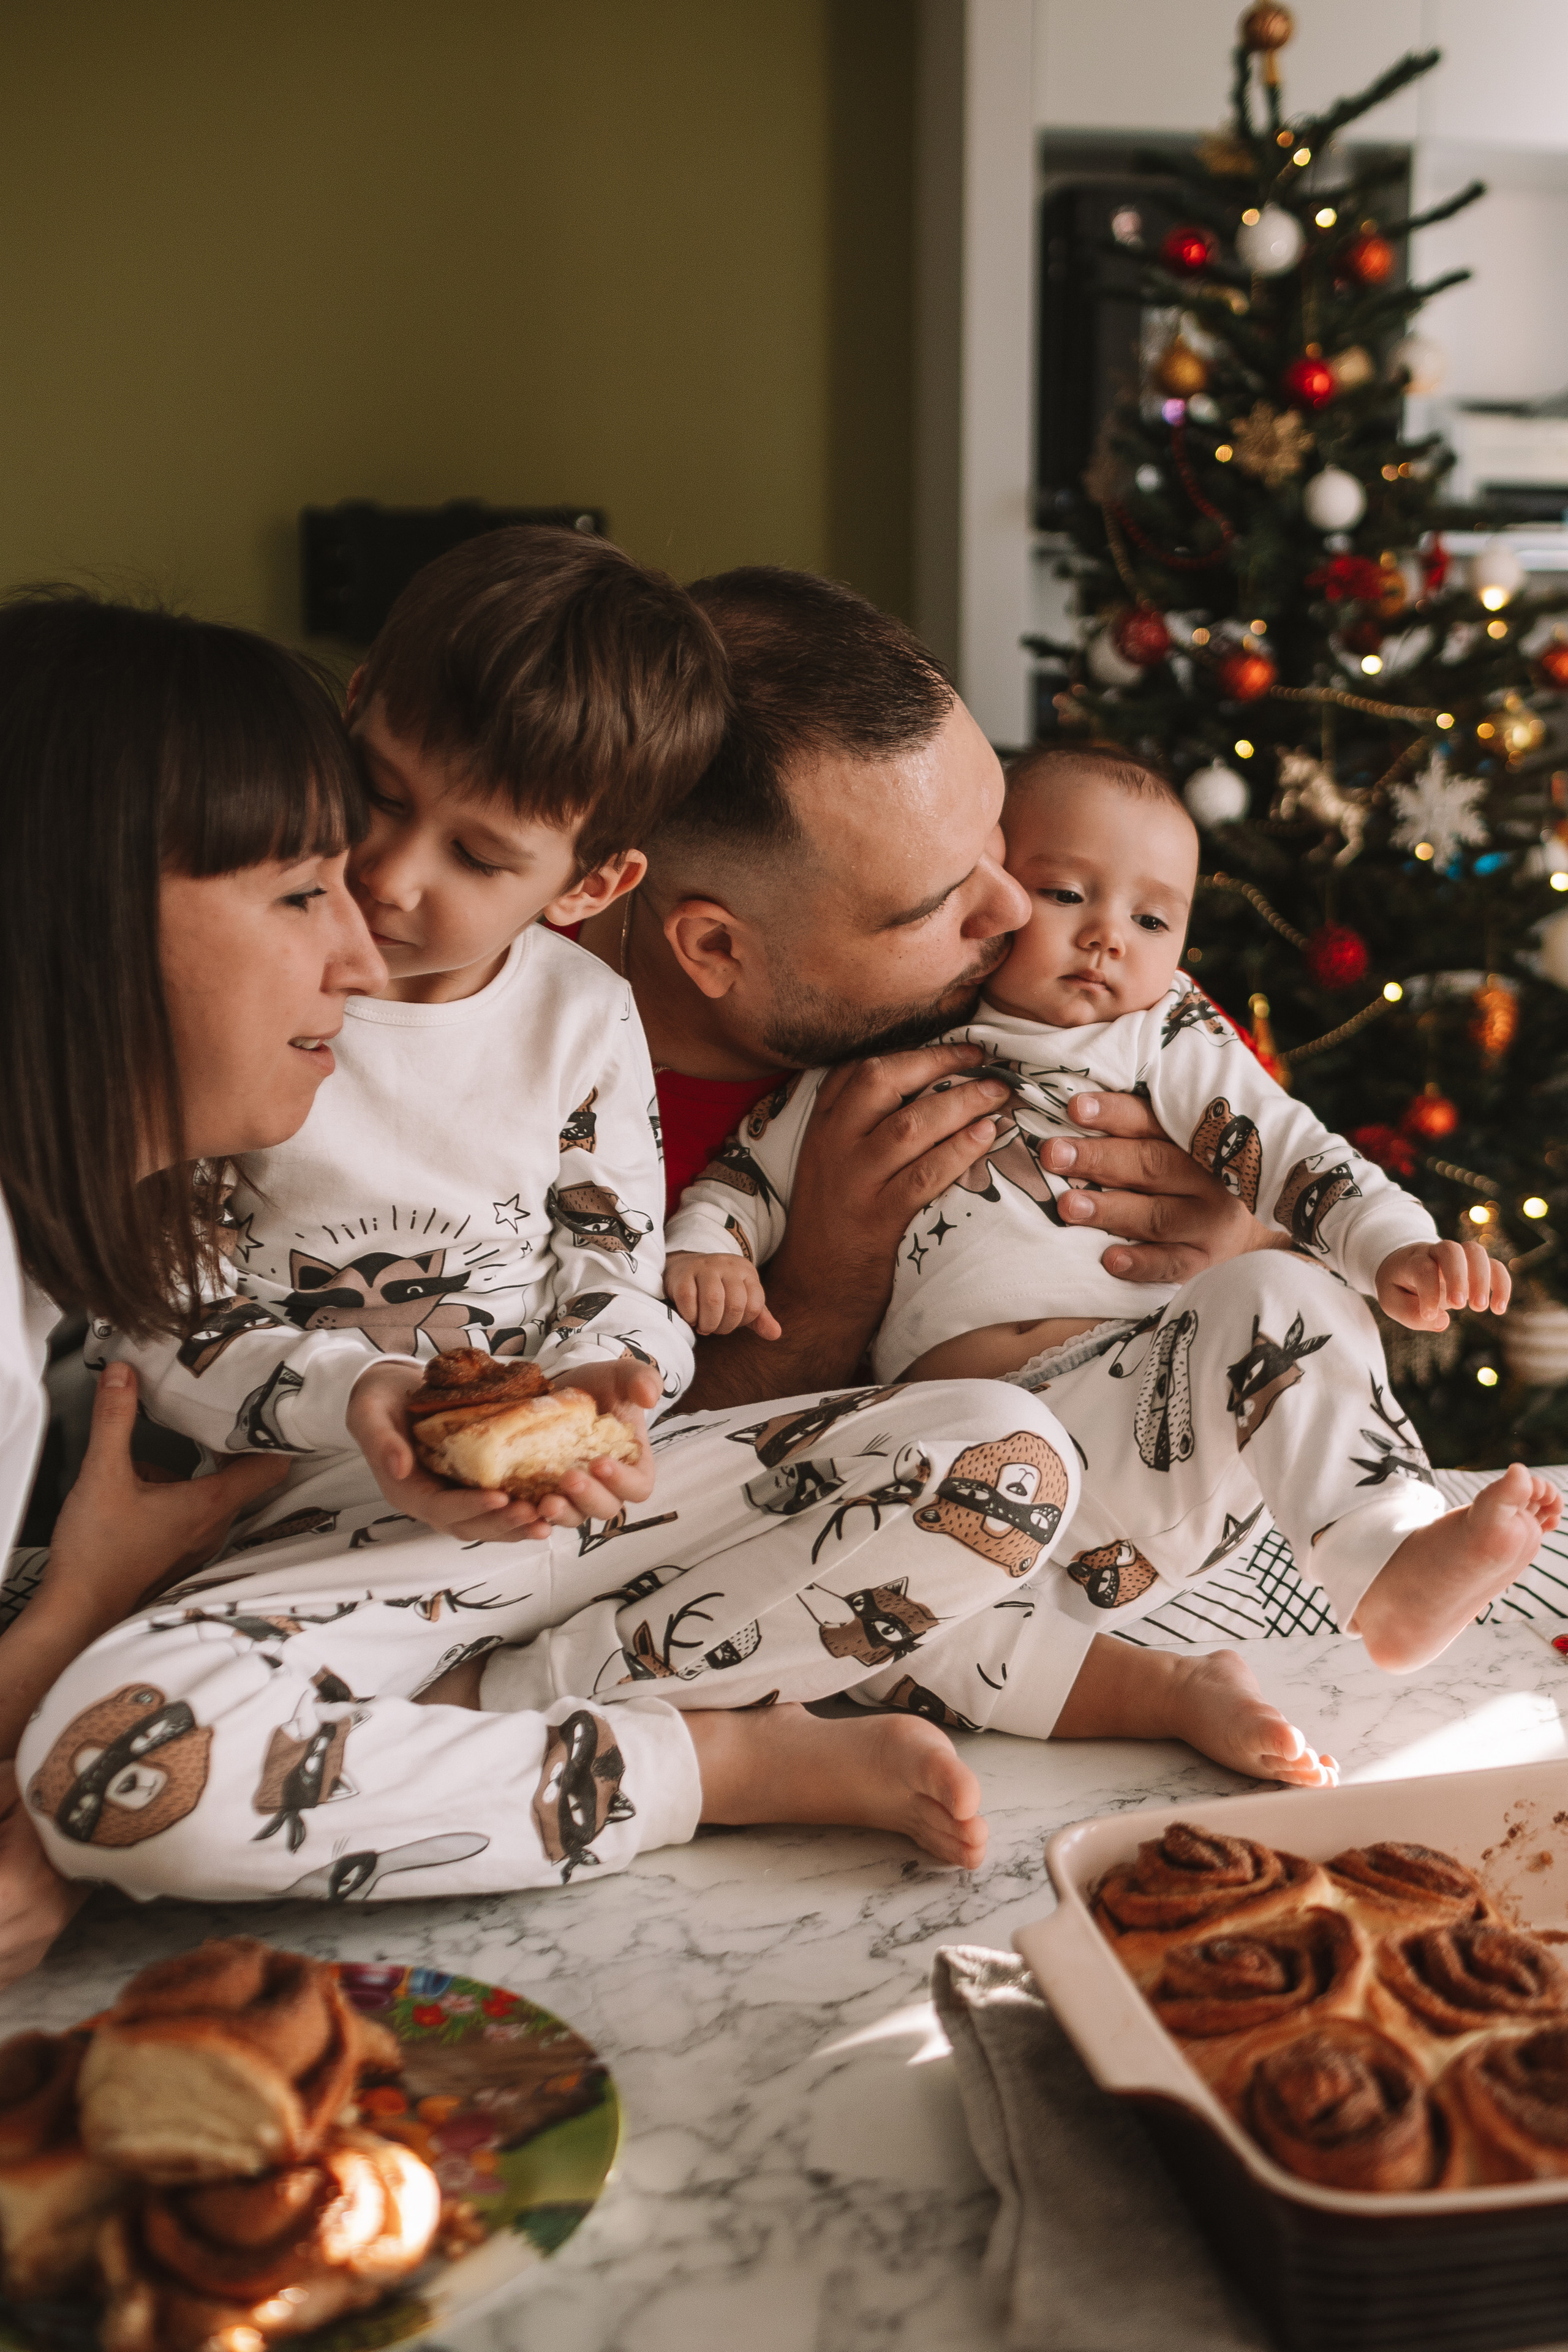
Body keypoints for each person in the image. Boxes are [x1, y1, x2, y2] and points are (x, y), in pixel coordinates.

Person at [18, 554, 1086, 1923]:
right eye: (380, 800)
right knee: (120, 1767)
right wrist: (369, 1404)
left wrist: (612, 1382)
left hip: (565, 1520)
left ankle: (475, 1713)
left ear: (591, 884)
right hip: (310, 1535)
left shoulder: (580, 1017)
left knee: (998, 1454)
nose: (392, 883)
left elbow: (612, 1267)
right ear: (353, 718)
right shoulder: (231, 1011)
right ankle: (695, 1758)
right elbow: (165, 1329)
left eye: (477, 856)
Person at [662, 744, 1559, 1775]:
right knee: (848, 1613)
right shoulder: (884, 1039)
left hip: (1150, 1426)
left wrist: (1394, 1243)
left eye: (1150, 919)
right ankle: (1171, 1692)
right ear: (991, 893)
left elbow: (1289, 1147)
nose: (1104, 937)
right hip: (961, 1472)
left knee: (1283, 1292)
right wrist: (708, 1247)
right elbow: (749, 1171)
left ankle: (1389, 1556)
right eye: (1066, 893)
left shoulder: (1160, 1033)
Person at [570, 568, 1287, 1417]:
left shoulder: (1090, 999)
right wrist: (823, 1300)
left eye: (997, 838)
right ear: (718, 948)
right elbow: (577, 1474)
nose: (1014, 906)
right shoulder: (512, 1065)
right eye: (934, 902)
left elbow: (1341, 1281)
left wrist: (1242, 1238)